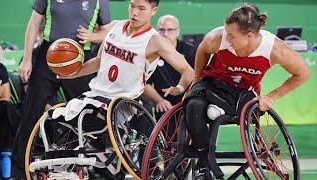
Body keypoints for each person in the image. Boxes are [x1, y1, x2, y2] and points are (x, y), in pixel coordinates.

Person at [51, 0, 193, 178]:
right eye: (132, 5)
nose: (135, 12)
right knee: (56, 117)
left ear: (153, 11)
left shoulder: (156, 41)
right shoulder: (115, 27)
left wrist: (179, 88)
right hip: (95, 96)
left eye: (141, 8)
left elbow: (188, 70)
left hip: (123, 103)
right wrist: (73, 74)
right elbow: (98, 61)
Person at [184, 4, 310, 180]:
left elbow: (303, 73)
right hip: (212, 83)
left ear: (249, 36)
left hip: (243, 93)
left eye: (232, 36)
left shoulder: (274, 49)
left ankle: (220, 111)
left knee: (222, 110)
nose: (227, 38)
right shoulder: (217, 38)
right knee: (193, 106)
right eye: (226, 33)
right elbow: (202, 50)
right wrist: (196, 78)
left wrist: (272, 96)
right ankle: (204, 166)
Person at [12, 0, 111, 178]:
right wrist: (27, 59)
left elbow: (107, 31)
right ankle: (20, 170)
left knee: (90, 113)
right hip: (49, 56)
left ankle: (102, 169)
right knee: (31, 114)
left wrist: (93, 37)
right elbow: (34, 22)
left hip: (80, 59)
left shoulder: (100, 1)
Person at [143, 15, 196, 120]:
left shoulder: (190, 51)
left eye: (170, 30)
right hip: (164, 101)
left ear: (178, 31)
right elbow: (144, 83)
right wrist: (159, 100)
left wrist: (187, 96)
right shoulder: (150, 52)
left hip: (187, 98)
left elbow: (197, 78)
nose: (165, 34)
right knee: (162, 109)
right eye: (161, 30)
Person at [0, 37, 21, 179]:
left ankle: (7, 154)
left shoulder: (0, 68)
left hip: (0, 109)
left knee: (6, 107)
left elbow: (5, 96)